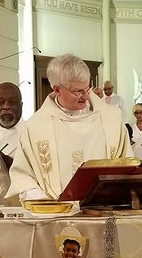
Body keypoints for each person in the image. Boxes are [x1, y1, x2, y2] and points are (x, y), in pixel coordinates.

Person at [8, 54, 132, 199]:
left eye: (87, 88)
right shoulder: (36, 126)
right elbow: (23, 175)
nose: (85, 96)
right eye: (77, 91)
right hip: (56, 216)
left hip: (104, 210)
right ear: (57, 90)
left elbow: (128, 163)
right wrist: (41, 200)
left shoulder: (111, 118)